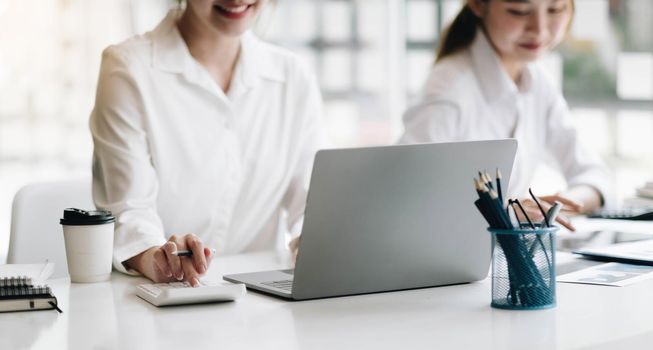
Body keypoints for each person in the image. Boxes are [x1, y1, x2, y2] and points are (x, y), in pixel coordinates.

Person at [90, 0, 325, 286]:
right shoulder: (128, 68)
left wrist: (318, 242)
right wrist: (160, 258)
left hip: (263, 304)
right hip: (164, 301)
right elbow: (129, 212)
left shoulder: (294, 77)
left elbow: (314, 202)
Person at [399, 0, 611, 229]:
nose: (539, 29)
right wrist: (507, 212)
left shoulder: (536, 80)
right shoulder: (450, 88)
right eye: (519, 11)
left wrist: (559, 204)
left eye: (555, 9)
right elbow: (406, 196)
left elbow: (596, 175)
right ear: (478, 5)